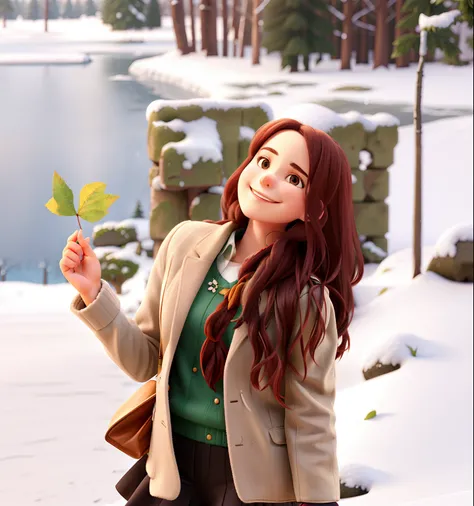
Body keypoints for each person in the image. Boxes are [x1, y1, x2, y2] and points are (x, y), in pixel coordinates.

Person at [60, 118, 364, 506]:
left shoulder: (306, 297)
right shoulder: (184, 242)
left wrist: (319, 501)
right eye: (264, 161)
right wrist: (93, 292)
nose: (268, 179)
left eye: (296, 179)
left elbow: (311, 417)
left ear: (316, 208)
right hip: (172, 468)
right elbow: (146, 360)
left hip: (253, 485)